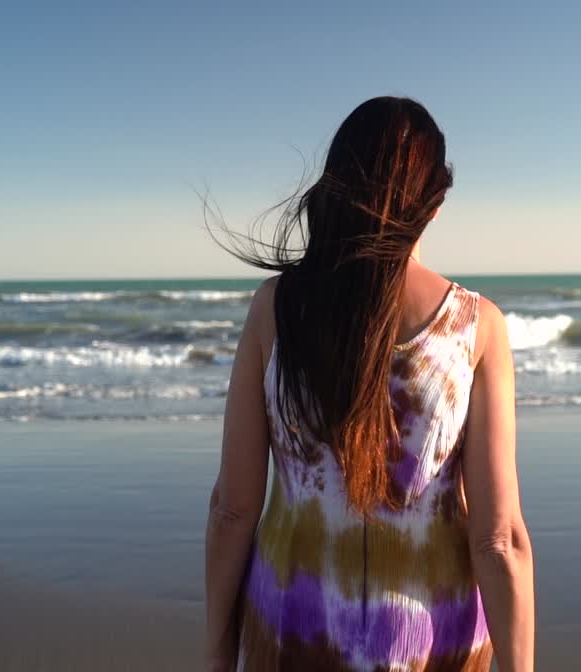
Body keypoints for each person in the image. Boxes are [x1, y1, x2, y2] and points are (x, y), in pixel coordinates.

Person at [203, 96, 535, 672]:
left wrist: (216, 652)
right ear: (435, 205)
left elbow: (233, 509)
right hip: (437, 642)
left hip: (290, 635)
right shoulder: (476, 327)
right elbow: (498, 539)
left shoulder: (276, 309)